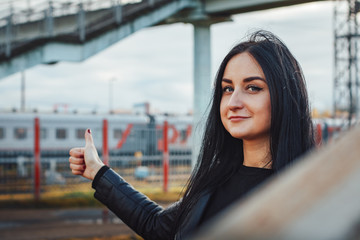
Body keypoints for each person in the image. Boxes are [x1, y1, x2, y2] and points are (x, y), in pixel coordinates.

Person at [69, 30, 315, 240]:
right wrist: (98, 172)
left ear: (286, 97)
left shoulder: (312, 190)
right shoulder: (216, 179)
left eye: (253, 88)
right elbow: (157, 226)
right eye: (227, 89)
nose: (233, 102)